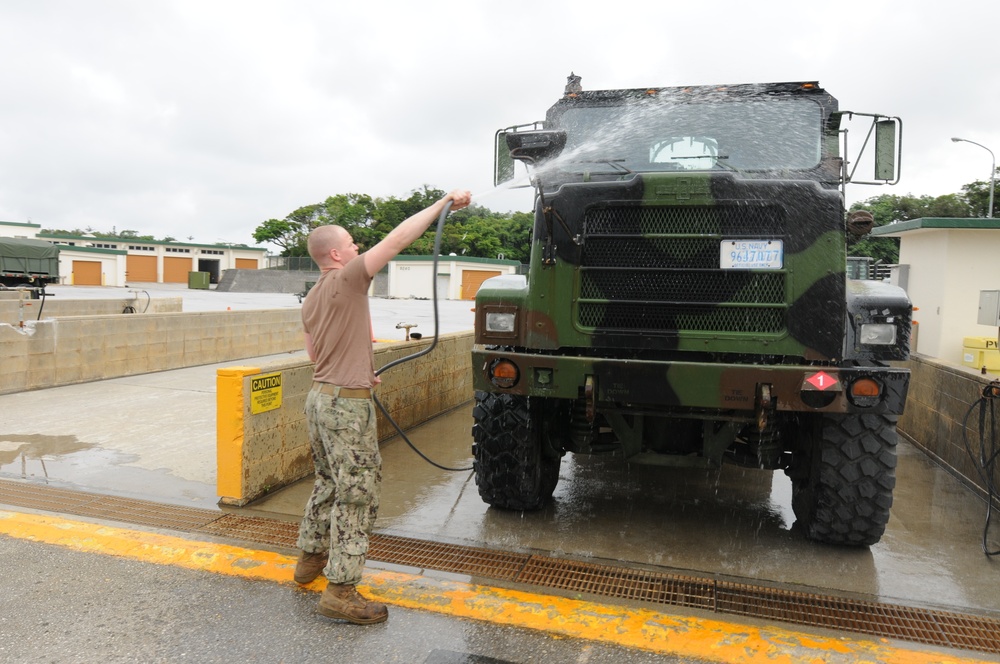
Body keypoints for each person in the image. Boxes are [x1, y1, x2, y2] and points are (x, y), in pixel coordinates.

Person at [294, 189, 472, 624]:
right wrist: (441, 204)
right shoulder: (348, 277)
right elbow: (395, 241)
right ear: (337, 253)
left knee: (328, 484)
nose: (358, 247)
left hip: (320, 399)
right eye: (353, 243)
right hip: (346, 409)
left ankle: (309, 562)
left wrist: (360, 369)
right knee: (358, 495)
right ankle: (341, 591)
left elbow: (317, 357)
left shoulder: (312, 297)